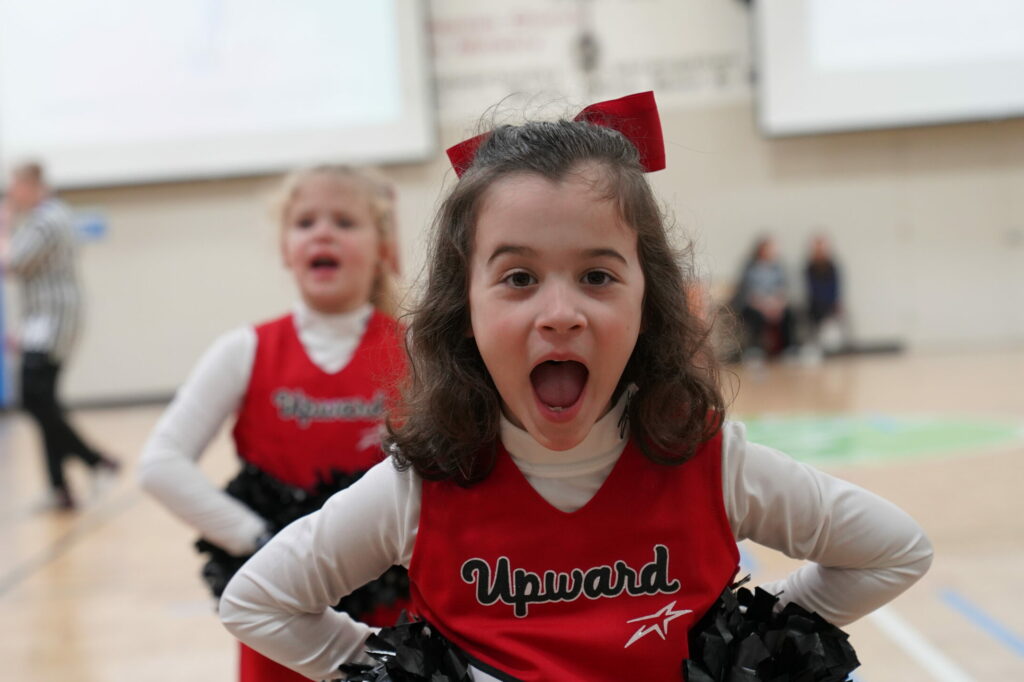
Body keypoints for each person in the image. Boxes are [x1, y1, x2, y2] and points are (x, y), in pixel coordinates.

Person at [218, 93, 932, 681]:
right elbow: (258, 603)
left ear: (648, 300)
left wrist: (742, 645)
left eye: (597, 276)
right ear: (461, 308)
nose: (560, 315)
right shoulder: (417, 487)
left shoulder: (716, 465)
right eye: (519, 278)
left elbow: (897, 550)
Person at [139, 165, 410, 682]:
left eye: (345, 222)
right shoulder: (245, 349)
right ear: (286, 249)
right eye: (305, 222)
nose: (324, 232)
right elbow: (159, 464)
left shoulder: (416, 350)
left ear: (381, 248)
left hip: (391, 600)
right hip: (287, 609)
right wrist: (257, 538)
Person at [0, 161, 119, 511]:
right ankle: (61, 488)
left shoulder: (46, 220)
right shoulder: (50, 216)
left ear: (32, 185)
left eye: (15, 187)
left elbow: (12, 263)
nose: (11, 195)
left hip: (53, 322)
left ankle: (96, 460)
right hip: (44, 321)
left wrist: (4, 226)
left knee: (36, 400)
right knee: (44, 402)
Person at [735, 235, 797, 360]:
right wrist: (763, 306)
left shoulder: (778, 267)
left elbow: (783, 290)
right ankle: (755, 349)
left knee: (789, 314)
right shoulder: (750, 267)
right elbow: (747, 292)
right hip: (756, 305)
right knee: (755, 316)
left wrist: (777, 306)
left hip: (775, 305)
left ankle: (788, 349)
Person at [805, 233, 843, 351]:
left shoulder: (832, 267)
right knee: (816, 310)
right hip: (816, 303)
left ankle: (833, 346)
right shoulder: (810, 267)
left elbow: (835, 288)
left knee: (833, 312)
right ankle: (818, 345)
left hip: (830, 302)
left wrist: (835, 302)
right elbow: (812, 289)